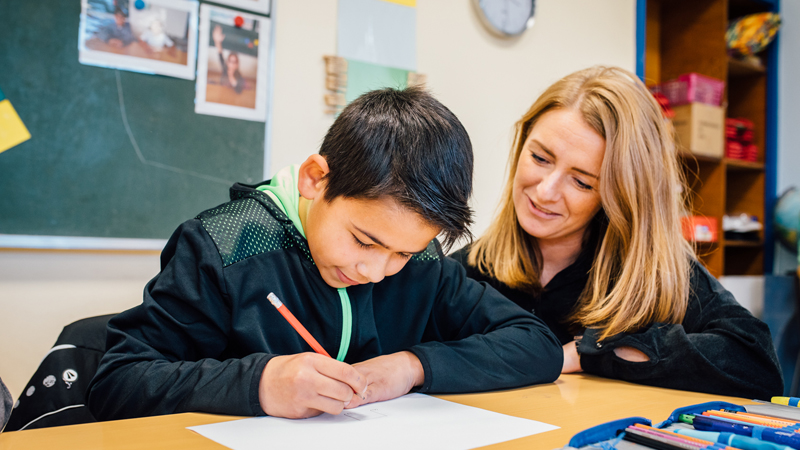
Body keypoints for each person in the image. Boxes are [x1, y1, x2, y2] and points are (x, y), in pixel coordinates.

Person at [87, 86, 563, 421]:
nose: (375, 271)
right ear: (317, 179)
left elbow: (538, 346)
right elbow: (118, 383)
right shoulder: (223, 247)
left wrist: (411, 367)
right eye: (363, 240)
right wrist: (260, 384)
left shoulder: (422, 264)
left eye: (402, 252)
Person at [450, 66, 783, 400]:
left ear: (618, 198)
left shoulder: (656, 275)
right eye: (539, 157)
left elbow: (756, 362)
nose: (546, 190)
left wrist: (593, 351)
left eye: (581, 182)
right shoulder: (462, 273)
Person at [212, 24, 245, 94]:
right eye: (230, 61)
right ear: (227, 62)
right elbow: (220, 53)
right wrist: (217, 41)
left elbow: (239, 91)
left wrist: (232, 77)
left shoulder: (240, 77)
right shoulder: (224, 69)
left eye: (234, 62)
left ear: (237, 64)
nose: (232, 64)